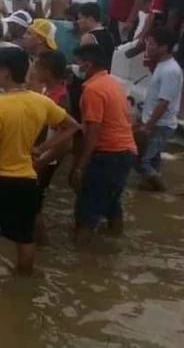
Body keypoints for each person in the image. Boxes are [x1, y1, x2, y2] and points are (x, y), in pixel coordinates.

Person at [0, 47, 79, 275]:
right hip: (27, 181)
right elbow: (73, 127)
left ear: (6, 73)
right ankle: (22, 289)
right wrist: (40, 148)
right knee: (25, 239)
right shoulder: (41, 102)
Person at [70, 43, 137, 247]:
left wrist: (80, 166)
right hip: (125, 151)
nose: (75, 67)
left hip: (109, 154)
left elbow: (93, 132)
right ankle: (114, 245)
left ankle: (77, 262)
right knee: (111, 205)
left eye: (78, 63)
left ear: (88, 65)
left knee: (86, 211)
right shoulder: (112, 83)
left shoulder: (93, 90)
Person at [29, 50, 73, 244]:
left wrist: (41, 158)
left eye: (36, 67)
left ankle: (42, 247)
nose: (33, 70)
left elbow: (67, 142)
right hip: (41, 156)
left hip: (47, 159)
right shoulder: (48, 90)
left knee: (33, 206)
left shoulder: (59, 98)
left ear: (46, 71)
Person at [135, 28, 182, 192]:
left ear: (164, 47)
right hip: (156, 122)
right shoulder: (162, 66)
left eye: (152, 44)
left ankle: (165, 192)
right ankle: (149, 190)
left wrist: (148, 126)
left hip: (160, 125)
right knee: (152, 160)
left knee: (143, 162)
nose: (148, 47)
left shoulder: (170, 70)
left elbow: (164, 102)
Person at [76, 3, 116, 68]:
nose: (78, 21)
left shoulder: (88, 37)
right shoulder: (109, 34)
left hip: (93, 73)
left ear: (90, 18)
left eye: (80, 18)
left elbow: (82, 63)